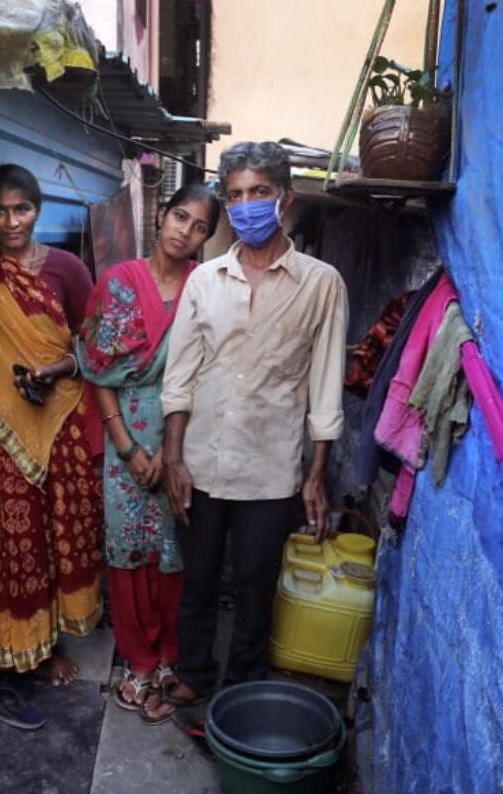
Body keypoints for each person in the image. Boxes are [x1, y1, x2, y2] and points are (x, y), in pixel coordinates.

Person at [150, 141, 349, 718]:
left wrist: (316, 474)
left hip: (271, 468)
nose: (247, 206)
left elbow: (326, 383)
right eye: (235, 195)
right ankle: (194, 675)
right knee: (200, 581)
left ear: (284, 197)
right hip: (203, 462)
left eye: (259, 192)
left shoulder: (321, 283)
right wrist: (174, 458)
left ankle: (241, 689)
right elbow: (180, 375)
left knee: (257, 589)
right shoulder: (205, 280)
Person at [0, 163, 103, 683]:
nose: (12, 221)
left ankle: (50, 644)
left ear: (38, 209)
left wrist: (56, 370)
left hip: (60, 422)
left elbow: (91, 343)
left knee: (55, 533)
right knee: (12, 534)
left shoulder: (68, 269)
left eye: (21, 208)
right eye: (0, 211)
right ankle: (10, 637)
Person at [76, 185, 221, 725]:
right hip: (125, 434)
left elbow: (207, 370)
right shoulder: (117, 282)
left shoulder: (204, 290)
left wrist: (168, 448)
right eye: (179, 216)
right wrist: (126, 446)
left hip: (185, 433)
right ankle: (137, 660)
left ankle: (169, 658)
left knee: (173, 551)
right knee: (127, 549)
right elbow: (97, 370)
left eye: (199, 225)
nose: (184, 230)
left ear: (207, 237)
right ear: (162, 216)